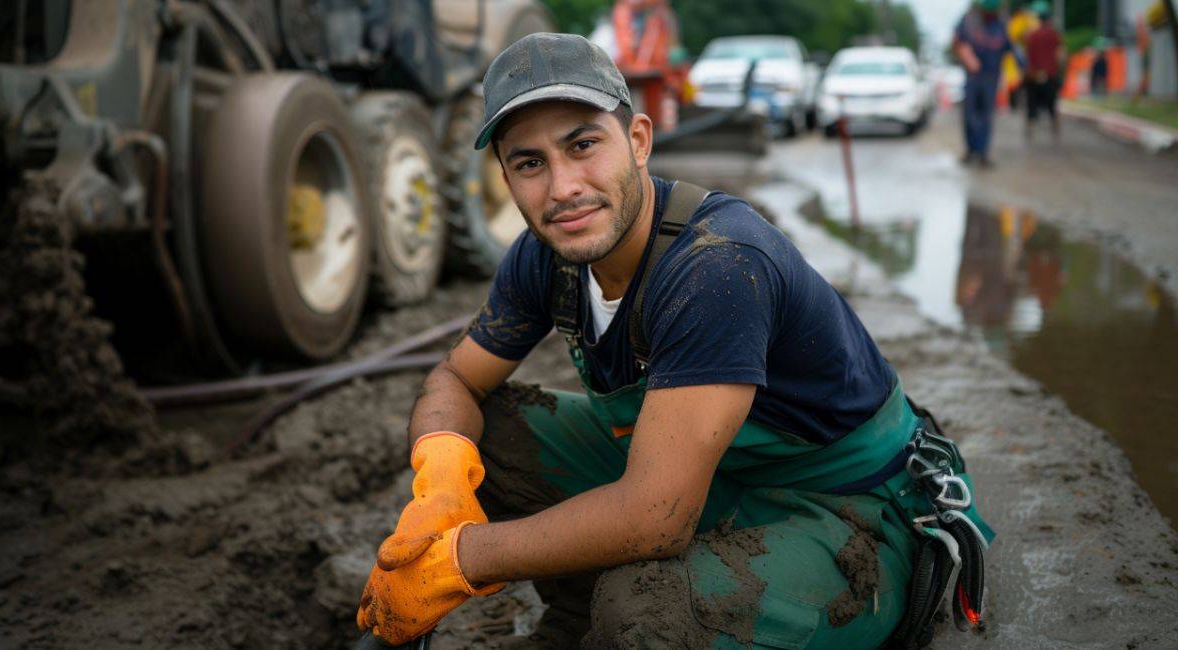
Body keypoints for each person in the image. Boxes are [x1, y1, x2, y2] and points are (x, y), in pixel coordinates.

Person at [355, 33, 994, 649]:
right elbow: (457, 380)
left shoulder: (716, 266)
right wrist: (439, 479)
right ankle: (578, 621)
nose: (563, 188)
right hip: (715, 477)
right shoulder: (543, 258)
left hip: (842, 510)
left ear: (638, 140)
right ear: (505, 176)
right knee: (483, 433)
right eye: (529, 163)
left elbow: (656, 518)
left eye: (583, 145)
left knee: (650, 611)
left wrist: (459, 559)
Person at [953, 0, 1017, 166]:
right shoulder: (968, 21)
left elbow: (1010, 48)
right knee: (969, 115)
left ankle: (982, 153)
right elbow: (957, 42)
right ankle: (971, 150)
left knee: (986, 117)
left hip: (991, 77)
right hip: (972, 77)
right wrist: (966, 55)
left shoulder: (1002, 25)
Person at [1024, 1, 1065, 140]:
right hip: (1050, 74)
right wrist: (1061, 72)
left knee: (1031, 104)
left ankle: (1030, 127)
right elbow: (1060, 56)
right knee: (1051, 103)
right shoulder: (1054, 34)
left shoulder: (1032, 35)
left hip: (1033, 75)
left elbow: (1027, 56)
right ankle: (1055, 126)